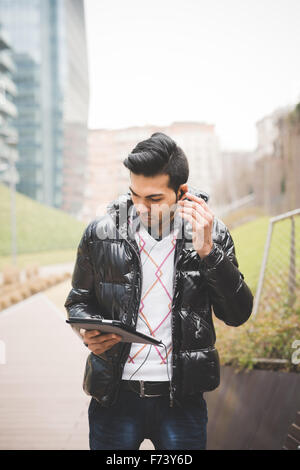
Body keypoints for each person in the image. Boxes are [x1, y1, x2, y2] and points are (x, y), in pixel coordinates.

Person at [64, 132, 254, 450]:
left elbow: (237, 314)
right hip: (114, 398)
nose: (140, 208)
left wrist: (210, 253)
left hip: (182, 400)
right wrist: (88, 333)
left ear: (181, 192)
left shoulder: (213, 234)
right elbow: (78, 303)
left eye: (153, 199)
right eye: (134, 195)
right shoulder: (100, 234)